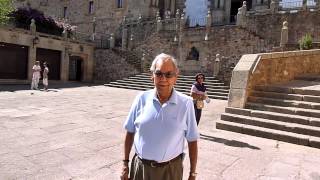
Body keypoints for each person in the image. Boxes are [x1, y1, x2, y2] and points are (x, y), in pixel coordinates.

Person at [121, 53, 199, 180]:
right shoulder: (141, 98)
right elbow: (130, 132)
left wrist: (193, 173)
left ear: (175, 77)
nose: (163, 79)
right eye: (158, 74)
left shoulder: (186, 103)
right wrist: (125, 164)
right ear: (152, 76)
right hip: (141, 169)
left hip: (170, 171)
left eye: (168, 74)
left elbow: (192, 140)